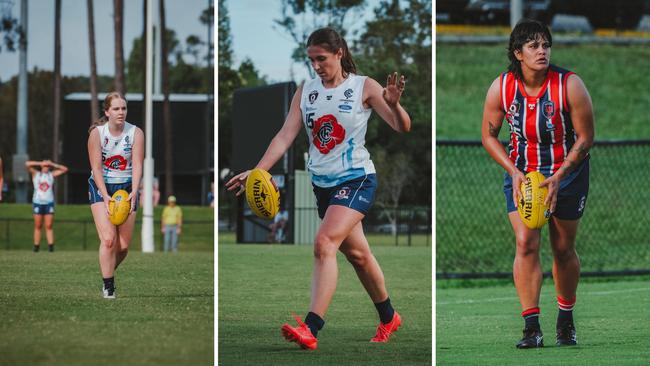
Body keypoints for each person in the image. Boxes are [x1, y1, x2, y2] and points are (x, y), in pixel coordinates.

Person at [226, 27, 411, 350]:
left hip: (357, 179)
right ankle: (389, 316)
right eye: (310, 59)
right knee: (358, 255)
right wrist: (258, 171)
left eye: (321, 58)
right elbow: (285, 135)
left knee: (324, 242)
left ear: (339, 53)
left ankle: (311, 327)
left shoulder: (362, 86)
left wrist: (393, 104)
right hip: (323, 186)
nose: (315, 65)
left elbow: (401, 126)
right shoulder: (306, 90)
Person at [481, 19, 594, 348]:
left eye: (545, 45)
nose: (542, 51)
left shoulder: (569, 85)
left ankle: (565, 320)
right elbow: (488, 136)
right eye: (533, 46)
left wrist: (559, 176)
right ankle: (531, 327)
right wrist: (514, 172)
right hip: (523, 173)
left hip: (567, 173)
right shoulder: (501, 87)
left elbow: (586, 138)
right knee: (526, 243)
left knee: (562, 248)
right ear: (518, 53)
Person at [87, 92, 144, 299]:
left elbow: (137, 165)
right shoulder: (97, 134)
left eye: (124, 108)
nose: (121, 112)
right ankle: (108, 286)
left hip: (127, 186)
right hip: (101, 187)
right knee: (109, 240)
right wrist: (105, 195)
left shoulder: (136, 133)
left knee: (123, 246)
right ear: (107, 112)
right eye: (116, 109)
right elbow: (96, 168)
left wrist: (135, 191)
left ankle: (107, 270)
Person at [26, 159, 68, 252]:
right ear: (41, 166)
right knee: (38, 225)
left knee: (49, 225)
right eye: (45, 165)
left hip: (49, 203)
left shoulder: (51, 175)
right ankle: (36, 246)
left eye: (47, 166)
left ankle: (51, 247)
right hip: (38, 202)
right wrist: (40, 163)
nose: (46, 167)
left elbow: (65, 169)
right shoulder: (36, 174)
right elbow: (27, 164)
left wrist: (53, 164)